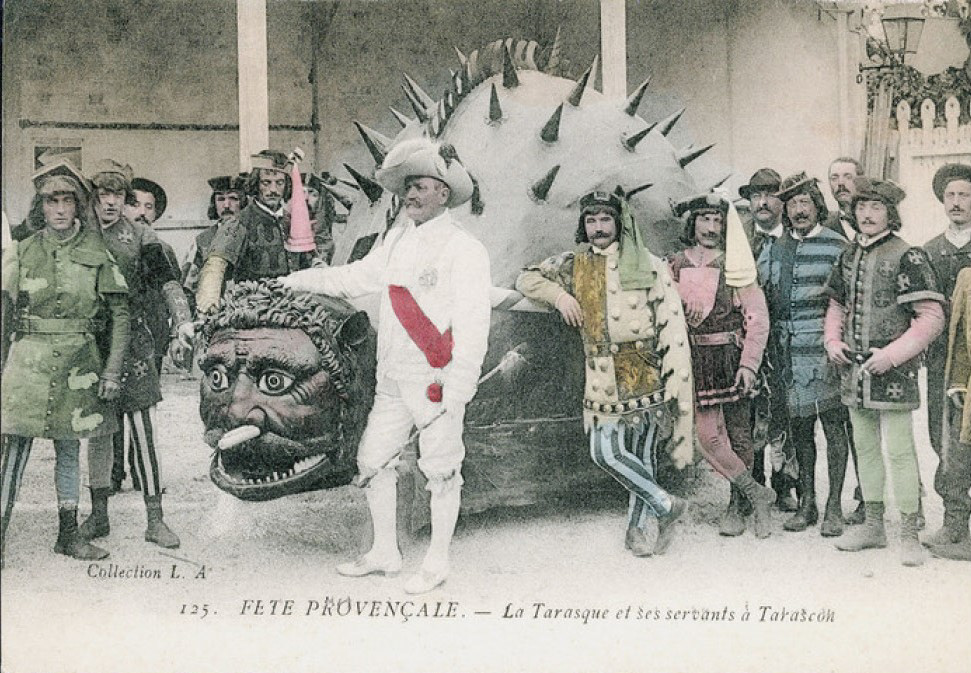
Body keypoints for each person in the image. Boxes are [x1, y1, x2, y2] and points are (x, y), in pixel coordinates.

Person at [281, 138, 491, 594]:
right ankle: (384, 552)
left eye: (419, 187)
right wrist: (294, 281)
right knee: (373, 460)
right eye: (407, 188)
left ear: (443, 192)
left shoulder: (465, 249)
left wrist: (460, 386)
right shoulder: (396, 240)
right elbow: (353, 278)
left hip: (436, 380)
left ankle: (437, 561)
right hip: (392, 378)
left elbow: (474, 323)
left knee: (441, 469)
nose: (409, 195)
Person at [516, 190, 694, 556]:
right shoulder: (574, 264)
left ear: (619, 222)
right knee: (605, 453)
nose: (598, 228)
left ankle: (636, 531)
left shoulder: (647, 262)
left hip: (645, 371)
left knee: (642, 455)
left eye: (605, 219)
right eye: (591, 220)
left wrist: (675, 377)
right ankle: (667, 505)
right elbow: (526, 279)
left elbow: (671, 322)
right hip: (600, 375)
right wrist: (561, 297)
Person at [0, 160, 130, 562]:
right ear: (40, 207)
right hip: (28, 362)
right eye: (51, 201)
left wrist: (112, 371)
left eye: (67, 201)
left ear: (78, 206)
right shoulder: (22, 251)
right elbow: (4, 313)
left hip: (79, 363)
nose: (59, 209)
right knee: (14, 450)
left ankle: (68, 535)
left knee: (69, 450)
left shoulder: (97, 251)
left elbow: (120, 314)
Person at [825, 176, 945, 566]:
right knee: (864, 446)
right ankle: (873, 526)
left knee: (899, 450)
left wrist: (892, 356)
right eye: (861, 207)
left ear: (890, 213)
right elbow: (836, 306)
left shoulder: (909, 255)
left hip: (894, 373)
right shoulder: (847, 255)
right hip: (854, 369)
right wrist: (832, 341)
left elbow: (931, 318)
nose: (867, 214)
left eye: (876, 207)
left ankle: (909, 532)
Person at [79, 160, 192, 549]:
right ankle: (98, 516)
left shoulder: (143, 235)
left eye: (118, 195)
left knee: (144, 431)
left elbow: (168, 282)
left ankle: (155, 520)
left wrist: (182, 322)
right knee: (98, 432)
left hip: (136, 345)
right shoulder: (79, 234)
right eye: (103, 194)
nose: (111, 202)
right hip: (91, 345)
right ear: (92, 197)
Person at [668, 192, 776, 538]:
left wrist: (749, 365)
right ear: (693, 223)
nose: (711, 227)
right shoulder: (674, 264)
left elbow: (757, 317)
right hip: (694, 360)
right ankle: (757, 494)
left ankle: (738, 505)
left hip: (730, 358)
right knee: (707, 438)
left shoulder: (736, 265)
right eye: (705, 219)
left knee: (739, 433)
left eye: (718, 220)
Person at [758, 173, 854, 536]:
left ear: (818, 207)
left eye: (806, 203)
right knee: (799, 431)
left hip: (827, 351)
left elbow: (848, 301)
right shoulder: (774, 248)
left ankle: (834, 507)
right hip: (787, 355)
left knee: (833, 428)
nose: (799, 211)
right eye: (793, 204)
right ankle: (807, 503)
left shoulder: (838, 245)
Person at [739, 168, 797, 511]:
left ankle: (785, 484)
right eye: (755, 196)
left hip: (786, 339)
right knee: (748, 412)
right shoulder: (738, 240)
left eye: (770, 195)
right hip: (746, 338)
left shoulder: (794, 239)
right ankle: (752, 486)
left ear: (782, 201)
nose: (762, 202)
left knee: (783, 412)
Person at [117, 176, 180, 491]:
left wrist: (176, 328)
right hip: (117, 332)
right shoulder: (112, 244)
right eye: (135, 204)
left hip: (152, 333)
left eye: (149, 206)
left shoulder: (162, 249)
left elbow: (172, 287)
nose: (141, 212)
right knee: (112, 403)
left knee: (143, 404)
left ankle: (141, 471)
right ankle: (113, 472)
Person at [195, 150, 316, 314]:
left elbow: (311, 262)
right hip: (251, 308)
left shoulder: (294, 221)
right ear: (256, 184)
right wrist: (209, 302)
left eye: (279, 183)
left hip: (294, 307)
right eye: (266, 183)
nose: (273, 190)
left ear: (287, 185)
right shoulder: (240, 222)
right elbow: (216, 264)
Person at [923, 163, 971, 552]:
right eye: (951, 195)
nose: (957, 202)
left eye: (965, 195)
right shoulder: (929, 251)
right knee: (943, 436)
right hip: (941, 360)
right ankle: (955, 523)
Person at [932, 266, 971, 560]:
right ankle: (955, 526)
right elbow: (959, 338)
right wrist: (958, 382)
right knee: (957, 457)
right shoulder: (967, 280)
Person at [182, 173, 247, 308]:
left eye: (233, 198)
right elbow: (188, 286)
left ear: (243, 202)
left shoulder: (251, 233)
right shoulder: (202, 240)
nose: (226, 205)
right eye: (221, 199)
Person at [824, 156, 863, 241]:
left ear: (861, 181)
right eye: (834, 178)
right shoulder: (823, 225)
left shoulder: (875, 222)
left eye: (848, 177)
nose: (840, 183)